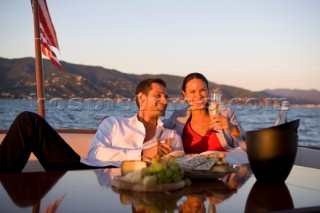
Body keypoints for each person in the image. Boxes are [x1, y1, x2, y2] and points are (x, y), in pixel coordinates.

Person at [0, 78, 183, 172]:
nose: (165, 100)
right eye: (158, 95)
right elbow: (95, 154)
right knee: (29, 121)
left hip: (137, 187)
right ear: (141, 98)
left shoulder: (171, 136)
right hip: (85, 171)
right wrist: (142, 154)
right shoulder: (113, 123)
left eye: (166, 96)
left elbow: (179, 163)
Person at [164, 72, 246, 154]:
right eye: (192, 91)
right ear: (184, 94)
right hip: (189, 166)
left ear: (208, 92)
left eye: (203, 90)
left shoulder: (226, 114)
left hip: (224, 165)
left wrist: (233, 129)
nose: (199, 96)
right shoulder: (177, 117)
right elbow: (156, 127)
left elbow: (248, 146)